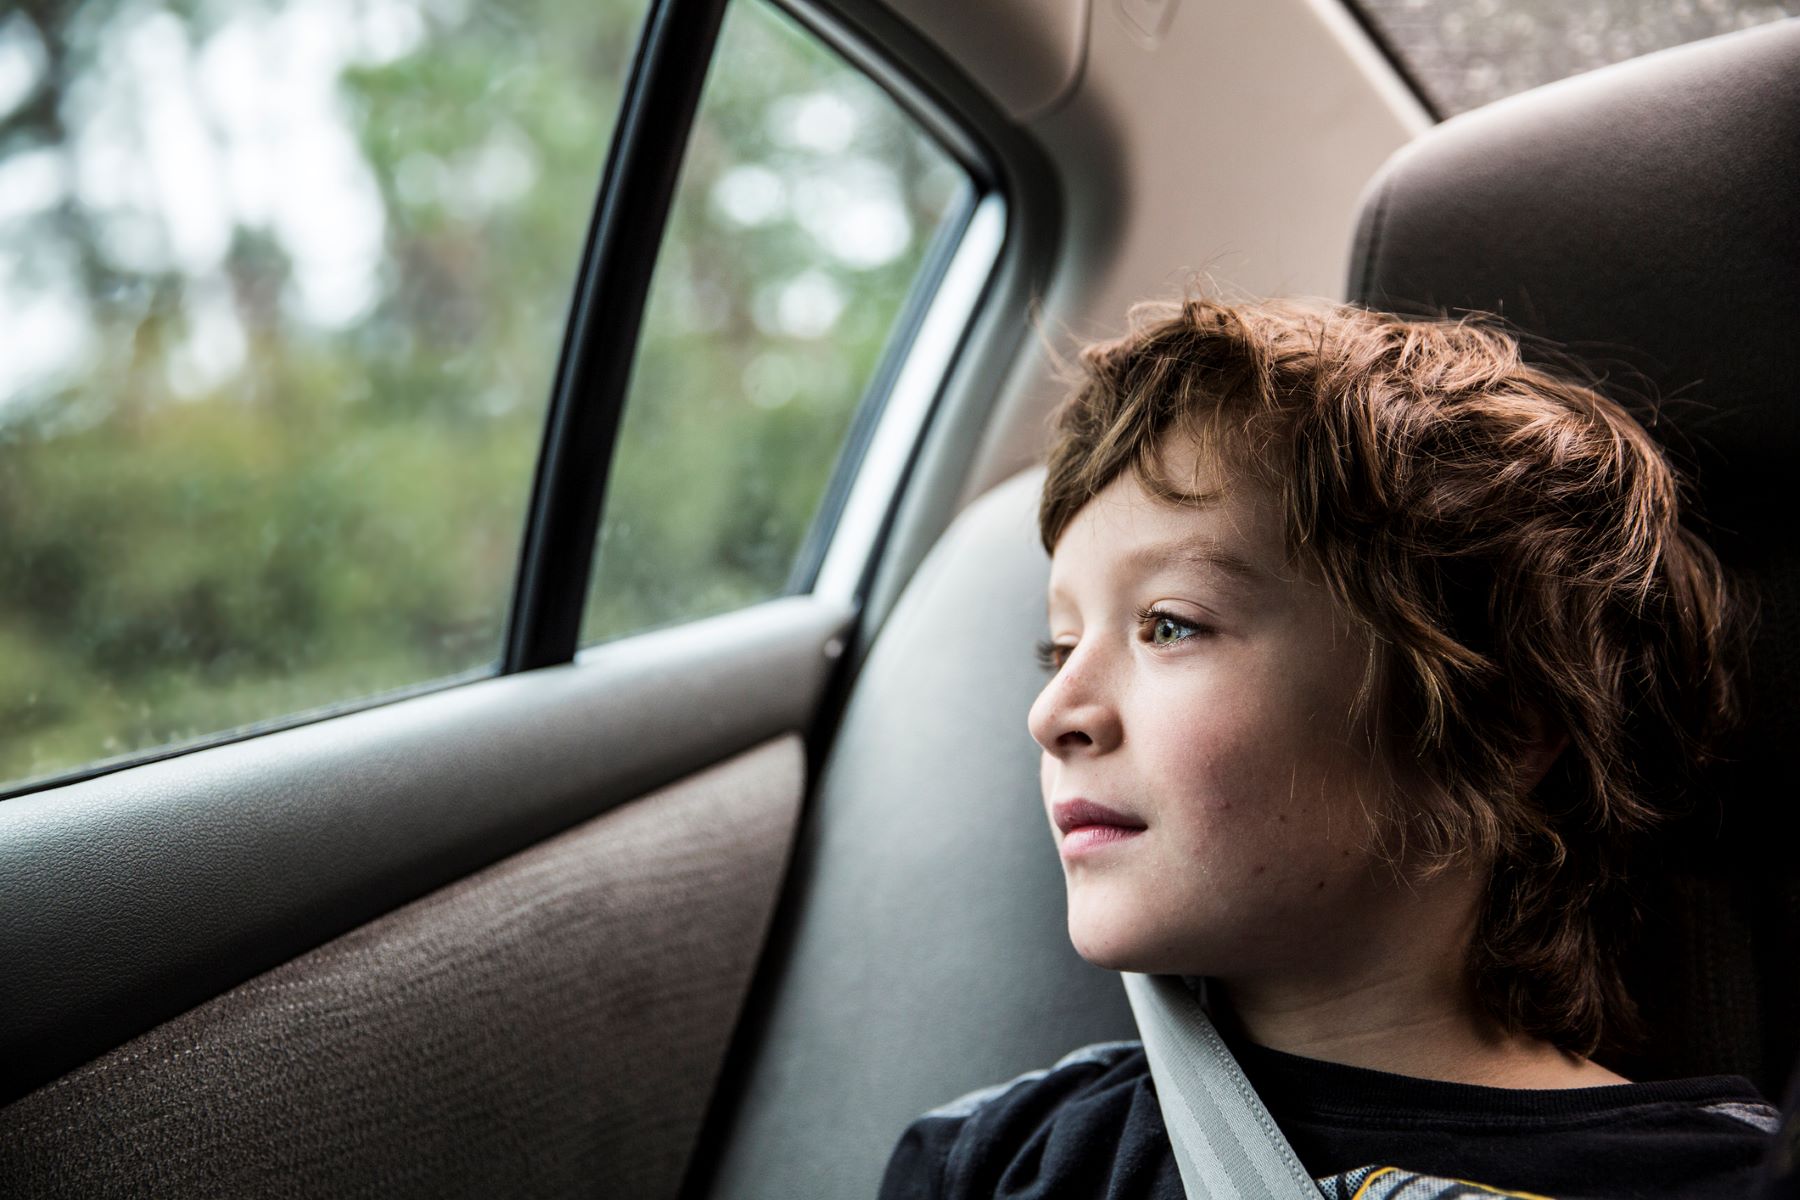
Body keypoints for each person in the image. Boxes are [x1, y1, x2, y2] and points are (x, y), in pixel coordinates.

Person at [878, 297, 1781, 1199]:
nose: (1053, 712)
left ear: (1495, 724)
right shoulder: (997, 1159)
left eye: (1170, 626)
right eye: (1060, 648)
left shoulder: (1716, 1179)